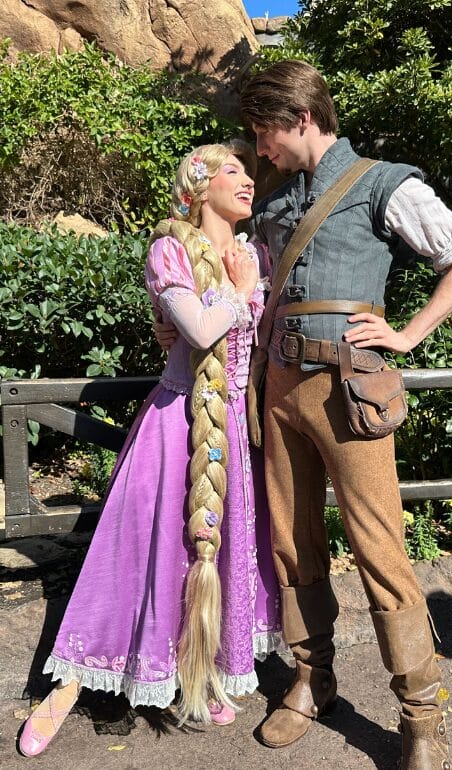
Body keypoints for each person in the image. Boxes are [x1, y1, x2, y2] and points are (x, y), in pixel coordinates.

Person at [239, 60, 452, 767]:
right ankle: (312, 683)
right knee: (292, 544)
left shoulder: (385, 182)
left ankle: (420, 717)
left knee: (380, 551)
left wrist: (407, 335)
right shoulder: (276, 203)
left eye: (266, 134)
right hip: (279, 385)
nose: (262, 150)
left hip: (350, 390)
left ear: (302, 120)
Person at [18, 143, 283, 757]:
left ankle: (203, 672)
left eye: (248, 171)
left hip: (232, 438)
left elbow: (256, 340)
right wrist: (239, 294)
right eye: (233, 171)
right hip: (174, 427)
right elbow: (196, 331)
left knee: (217, 554)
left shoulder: (252, 252)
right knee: (134, 554)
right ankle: (65, 687)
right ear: (198, 186)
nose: (247, 181)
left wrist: (245, 293)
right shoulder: (170, 249)